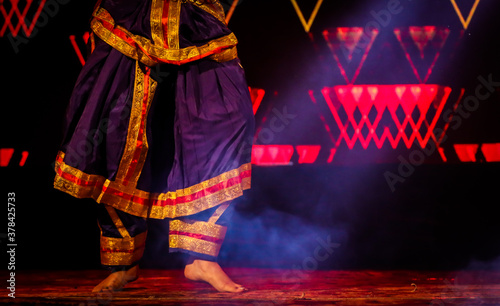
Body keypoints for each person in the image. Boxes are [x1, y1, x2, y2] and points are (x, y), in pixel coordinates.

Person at [53, 0, 254, 293]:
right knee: (117, 137)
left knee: (216, 132)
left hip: (195, 24)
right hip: (132, 24)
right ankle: (123, 262)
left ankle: (202, 259)